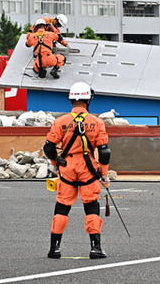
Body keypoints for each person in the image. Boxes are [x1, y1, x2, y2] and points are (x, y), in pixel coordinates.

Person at [42, 82, 111, 259]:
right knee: (91, 207)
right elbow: (104, 152)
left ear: (71, 99)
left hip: (67, 168)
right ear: (88, 100)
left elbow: (49, 147)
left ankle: (54, 249)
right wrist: (104, 174)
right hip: (88, 169)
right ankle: (95, 248)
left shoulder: (60, 122)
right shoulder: (97, 123)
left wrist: (55, 163)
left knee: (62, 207)